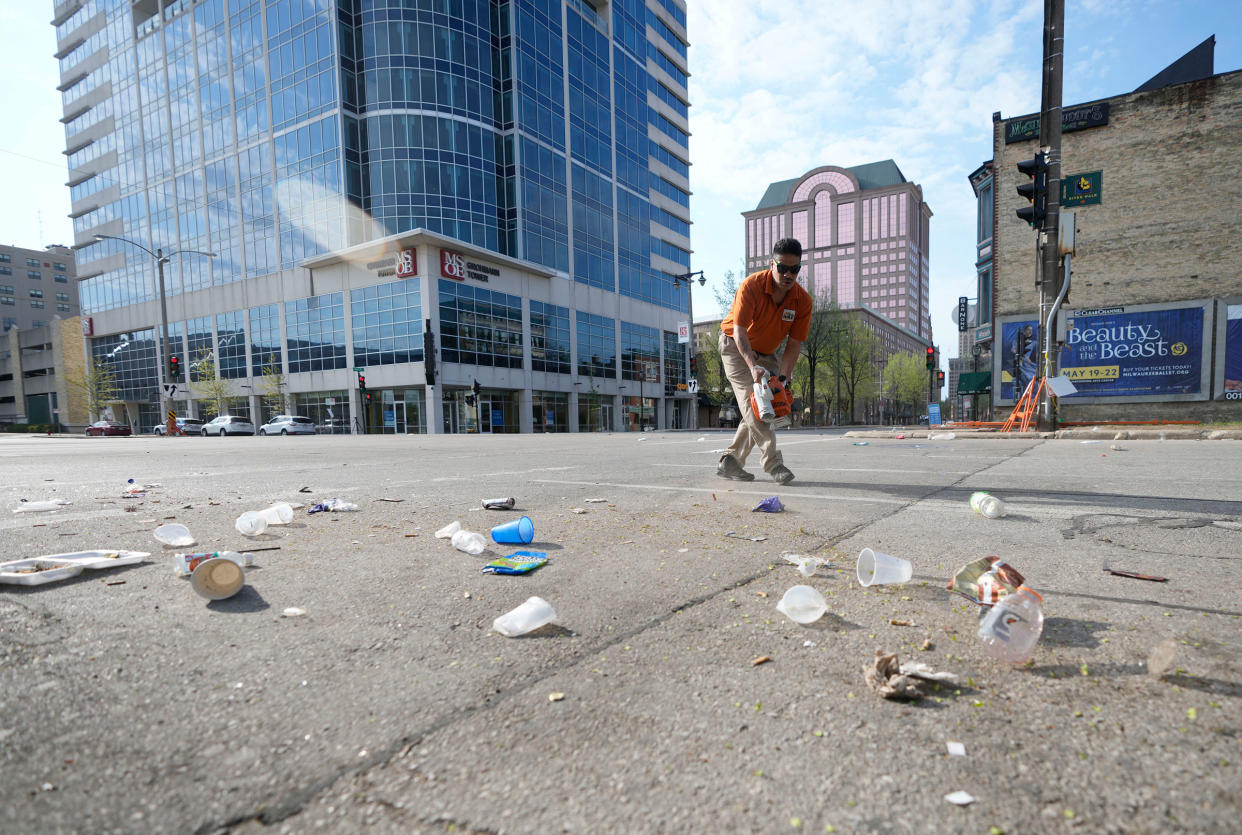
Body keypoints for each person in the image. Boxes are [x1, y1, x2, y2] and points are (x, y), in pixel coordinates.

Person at [716, 237, 812, 485]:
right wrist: (752, 366)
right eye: (782, 267)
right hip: (736, 347)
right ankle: (773, 462)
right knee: (755, 402)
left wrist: (784, 376)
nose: (788, 274)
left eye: (794, 269)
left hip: (767, 354)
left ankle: (731, 461)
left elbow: (794, 344)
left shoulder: (802, 301)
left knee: (767, 405)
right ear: (772, 264)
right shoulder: (752, 286)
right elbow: (739, 332)